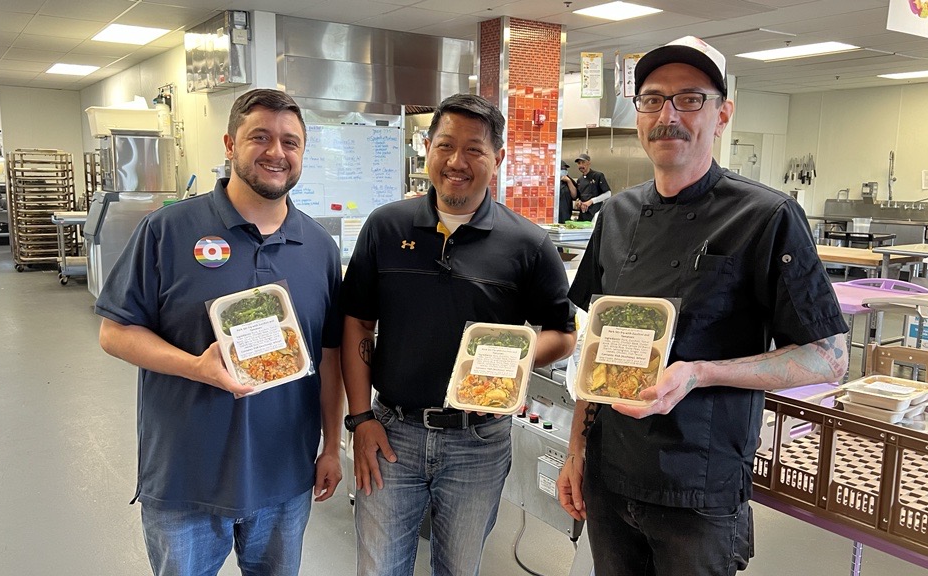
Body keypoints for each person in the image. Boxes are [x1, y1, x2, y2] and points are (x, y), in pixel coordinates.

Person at [556, 36, 849, 575]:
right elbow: (594, 351)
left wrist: (699, 373)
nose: (668, 115)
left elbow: (828, 357)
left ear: (722, 114)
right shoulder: (617, 214)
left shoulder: (767, 216)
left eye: (689, 98)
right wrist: (577, 448)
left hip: (699, 489)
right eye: (652, 99)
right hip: (610, 471)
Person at [95, 88, 344, 576]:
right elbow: (115, 331)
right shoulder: (167, 231)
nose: (277, 152)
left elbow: (329, 354)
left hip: (284, 476)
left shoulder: (318, 246)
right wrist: (195, 367)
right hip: (187, 477)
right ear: (230, 144)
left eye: (291, 143)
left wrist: (332, 446)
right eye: (261, 137)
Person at [341, 93, 577, 576]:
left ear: (499, 158)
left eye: (474, 149)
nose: (456, 162)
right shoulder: (386, 227)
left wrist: (514, 356)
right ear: (426, 147)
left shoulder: (527, 243)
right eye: (445, 145)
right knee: (379, 567)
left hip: (480, 441)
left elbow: (563, 333)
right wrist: (359, 417)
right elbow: (358, 324)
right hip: (392, 434)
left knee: (459, 568)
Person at [572, 153, 611, 221]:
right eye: (579, 163)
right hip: (583, 214)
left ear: (589, 163)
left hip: (596, 213)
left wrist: (591, 201)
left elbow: (608, 194)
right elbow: (579, 197)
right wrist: (579, 203)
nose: (581, 165)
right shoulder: (579, 180)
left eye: (583, 162)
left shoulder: (598, 176)